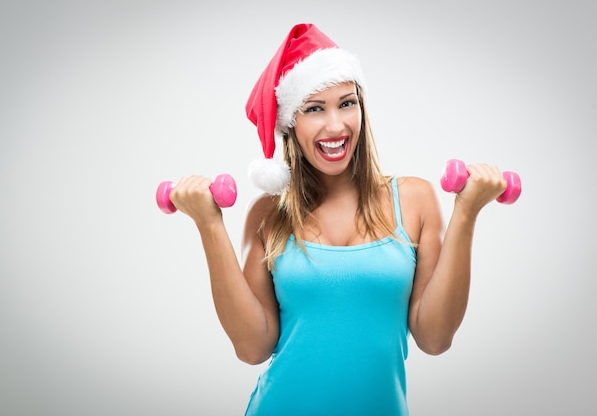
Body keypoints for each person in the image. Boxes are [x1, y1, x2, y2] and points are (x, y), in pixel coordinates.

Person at [169, 23, 508, 416]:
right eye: (314, 109)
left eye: (347, 103)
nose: (336, 126)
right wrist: (210, 225)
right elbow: (252, 348)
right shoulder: (268, 216)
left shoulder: (414, 200)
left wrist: (466, 212)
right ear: (291, 124)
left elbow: (435, 338)